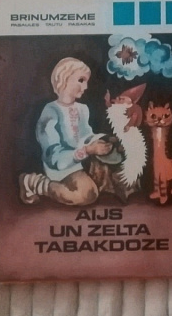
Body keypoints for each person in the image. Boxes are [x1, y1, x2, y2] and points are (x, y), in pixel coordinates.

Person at [19, 57, 113, 206]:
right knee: (87, 195)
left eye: (86, 81)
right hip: (60, 166)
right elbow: (53, 156)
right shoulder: (51, 111)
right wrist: (87, 150)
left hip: (82, 162)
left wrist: (100, 140)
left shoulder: (82, 109)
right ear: (64, 79)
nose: (86, 86)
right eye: (81, 80)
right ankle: (34, 182)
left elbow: (86, 136)